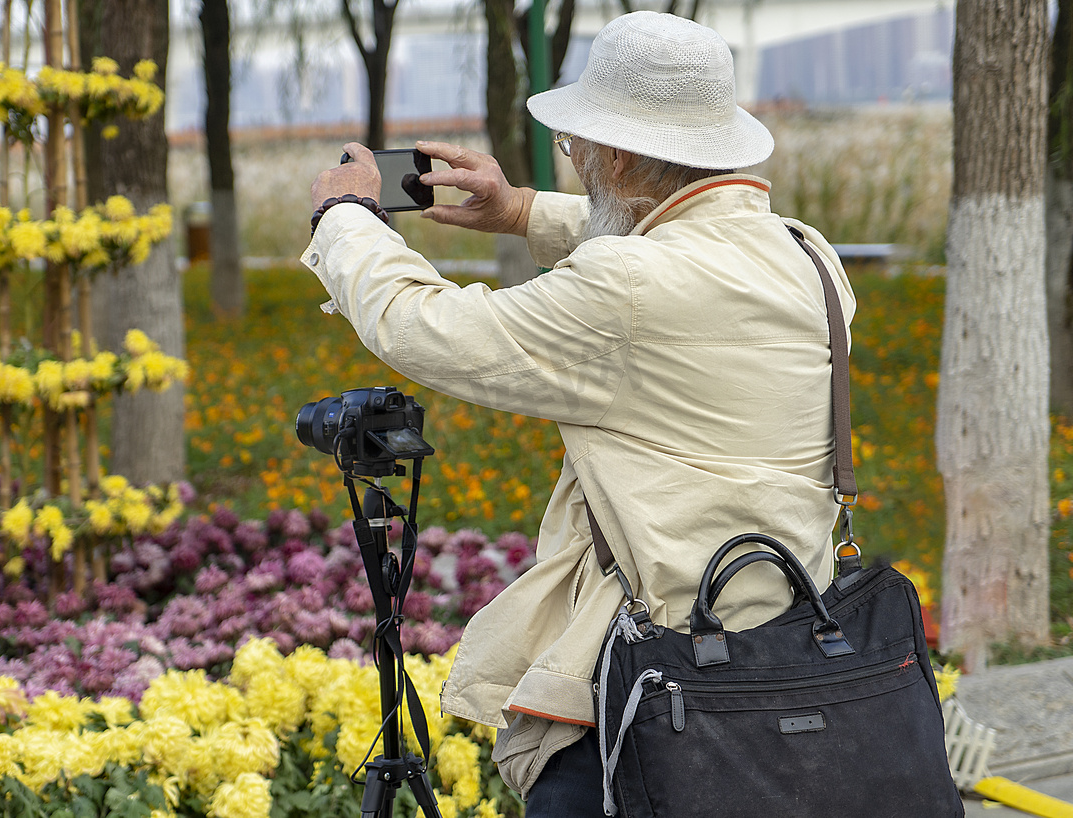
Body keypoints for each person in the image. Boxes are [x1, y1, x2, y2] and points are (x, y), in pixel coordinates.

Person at [302, 10, 855, 816]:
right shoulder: (810, 257)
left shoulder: (628, 290)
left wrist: (344, 222)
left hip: (652, 689)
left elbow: (434, 330)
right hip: (792, 652)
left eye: (578, 148)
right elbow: (678, 253)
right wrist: (523, 208)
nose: (580, 161)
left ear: (620, 154)